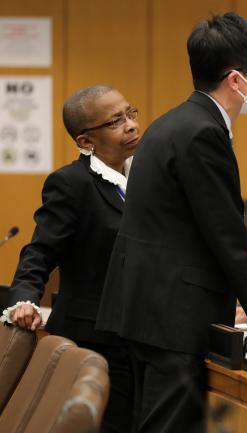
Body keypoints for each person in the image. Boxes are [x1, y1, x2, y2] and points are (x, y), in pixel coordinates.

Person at [95, 13, 247, 433]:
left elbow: (180, 218)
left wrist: (233, 231)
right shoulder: (204, 132)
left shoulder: (174, 121)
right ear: (236, 80)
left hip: (147, 309)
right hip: (172, 316)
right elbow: (225, 239)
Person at [1, 85, 138, 433]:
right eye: (114, 122)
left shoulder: (148, 177)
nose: (131, 125)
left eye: (129, 114)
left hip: (140, 339)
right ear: (85, 141)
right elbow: (40, 251)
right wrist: (24, 299)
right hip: (93, 339)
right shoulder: (71, 184)